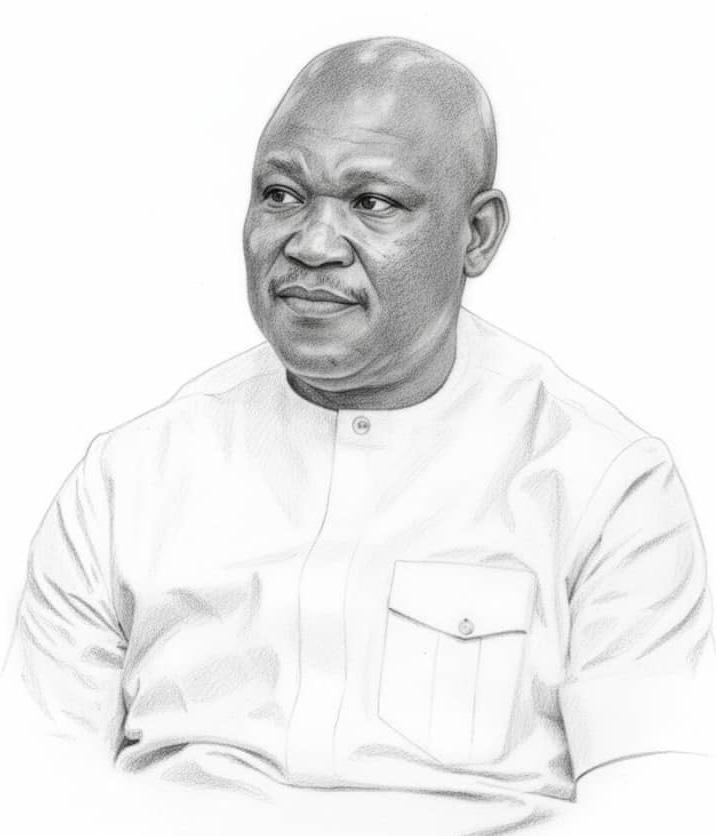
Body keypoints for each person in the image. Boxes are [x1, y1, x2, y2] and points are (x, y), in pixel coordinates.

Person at [3, 37, 715, 835]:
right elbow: (37, 789)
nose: (311, 244)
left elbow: (656, 804)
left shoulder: (603, 485)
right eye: (281, 194)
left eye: (373, 203)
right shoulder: (131, 477)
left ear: (477, 234)